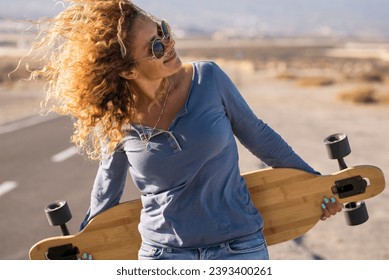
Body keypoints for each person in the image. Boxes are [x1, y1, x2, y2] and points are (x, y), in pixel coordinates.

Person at [29, 0, 342, 260]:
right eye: (155, 46)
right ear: (128, 70)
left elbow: (261, 137)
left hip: (239, 248)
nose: (168, 44)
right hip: (162, 255)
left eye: (163, 31)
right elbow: (105, 193)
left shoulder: (209, 79)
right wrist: (86, 245)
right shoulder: (120, 119)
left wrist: (316, 185)